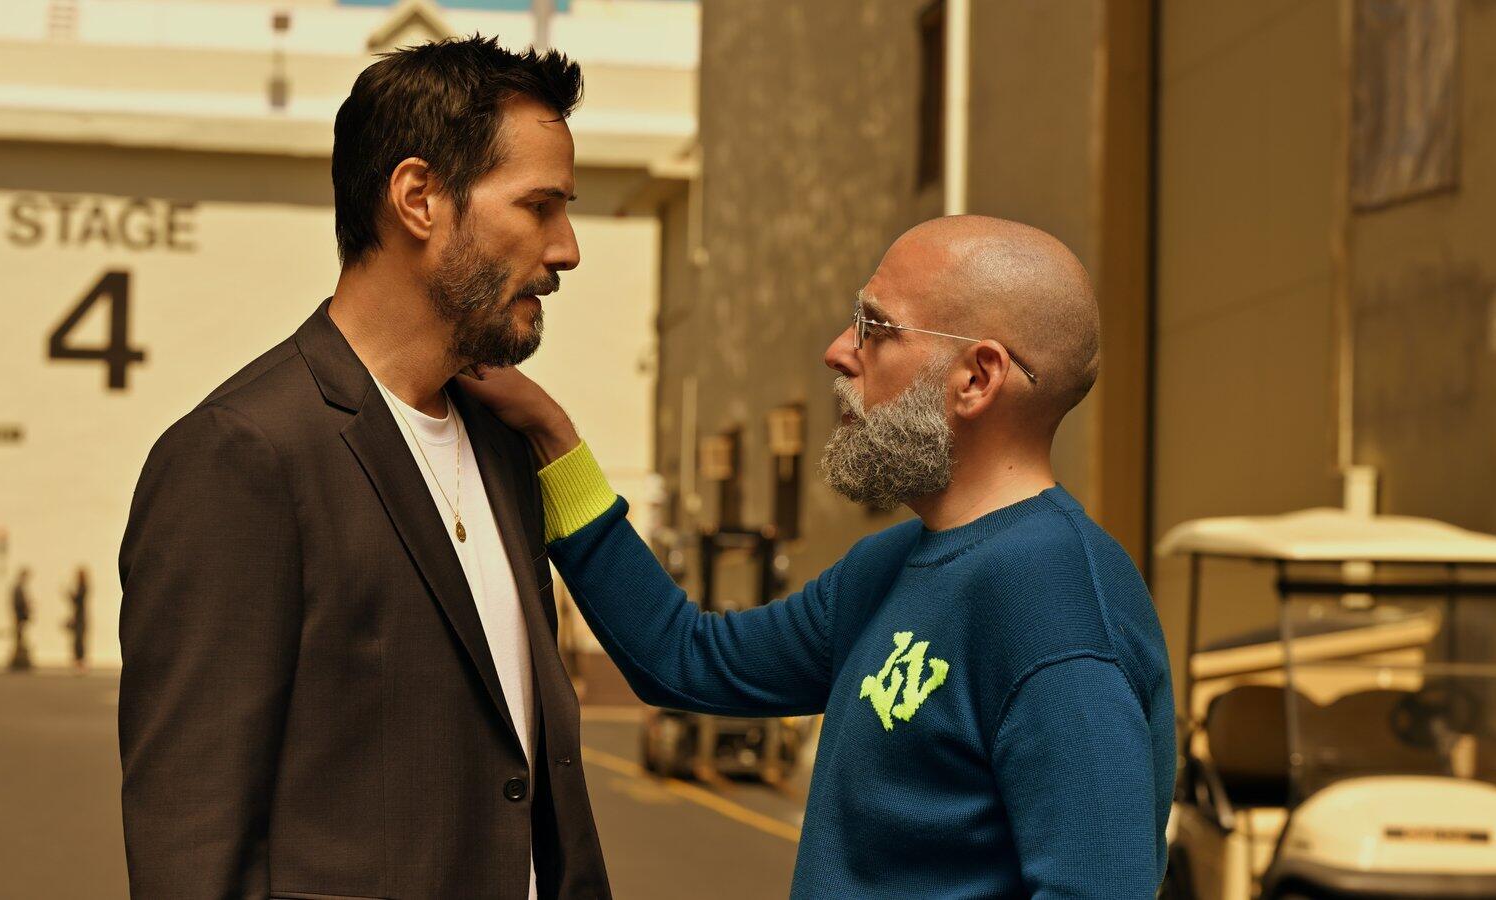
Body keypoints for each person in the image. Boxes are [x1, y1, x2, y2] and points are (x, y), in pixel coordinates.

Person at [463, 216, 1177, 898]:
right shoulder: (886, 568)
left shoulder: (1064, 614)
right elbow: (683, 657)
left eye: (875, 328)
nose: (838, 350)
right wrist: (552, 438)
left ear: (977, 377)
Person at [118, 38, 609, 899]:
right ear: (419, 198)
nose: (566, 249)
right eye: (538, 207)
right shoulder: (242, 456)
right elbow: (192, 841)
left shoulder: (504, 446)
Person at [63, 566, 89, 672]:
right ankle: (78, 660)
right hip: (79, 616)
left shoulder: (83, 587)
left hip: (80, 616)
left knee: (79, 639)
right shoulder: (81, 587)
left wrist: (69, 594)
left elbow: (77, 600)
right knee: (77, 639)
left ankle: (80, 661)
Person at [8, 567, 32, 672]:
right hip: (20, 616)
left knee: (20, 635)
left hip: (20, 616)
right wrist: (25, 609)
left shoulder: (19, 588)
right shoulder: (18, 588)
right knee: (19, 635)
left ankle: (20, 656)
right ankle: (19, 658)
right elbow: (18, 603)